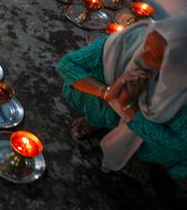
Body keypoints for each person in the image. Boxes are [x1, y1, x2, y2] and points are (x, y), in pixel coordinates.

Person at [56, 15, 187, 179]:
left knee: (169, 152)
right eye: (147, 43)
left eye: (153, 57)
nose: (142, 54)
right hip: (110, 102)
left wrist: (130, 107)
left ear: (176, 66)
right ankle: (96, 121)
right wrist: (106, 91)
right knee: (81, 90)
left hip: (146, 130)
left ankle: (138, 154)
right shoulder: (132, 40)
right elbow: (66, 65)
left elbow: (178, 144)